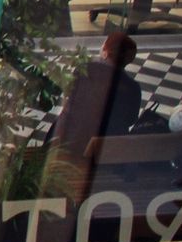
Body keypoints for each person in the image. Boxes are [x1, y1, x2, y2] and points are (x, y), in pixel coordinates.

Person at [49, 31, 146, 168]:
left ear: (105, 50)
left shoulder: (84, 69)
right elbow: (131, 119)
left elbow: (69, 97)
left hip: (69, 142)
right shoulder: (132, 87)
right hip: (105, 153)